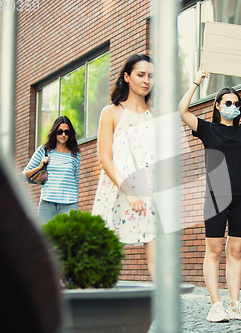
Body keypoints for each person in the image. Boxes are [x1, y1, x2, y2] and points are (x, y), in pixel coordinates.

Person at [178, 63, 241, 322]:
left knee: (235, 251)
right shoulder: (207, 130)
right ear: (217, 105)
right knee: (213, 251)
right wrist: (197, 81)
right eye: (227, 102)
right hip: (216, 196)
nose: (232, 106)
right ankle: (216, 305)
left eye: (236, 102)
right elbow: (182, 111)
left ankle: (235, 303)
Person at [92, 54, 157, 281]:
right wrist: (129, 191)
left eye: (150, 76)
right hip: (116, 187)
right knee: (106, 255)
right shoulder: (111, 112)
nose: (146, 80)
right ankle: (100, 308)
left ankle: (166, 311)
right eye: (141, 74)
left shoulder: (154, 114)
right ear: (127, 77)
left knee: (157, 251)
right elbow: (105, 159)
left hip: (150, 189)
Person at [22, 116, 81, 225]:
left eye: (67, 132)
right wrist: (40, 166)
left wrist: (75, 200)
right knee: (46, 239)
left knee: (69, 239)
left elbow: (76, 180)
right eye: (60, 131)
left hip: (69, 205)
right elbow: (24, 175)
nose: (63, 135)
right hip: (47, 205)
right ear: (54, 132)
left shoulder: (75, 154)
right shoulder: (44, 150)